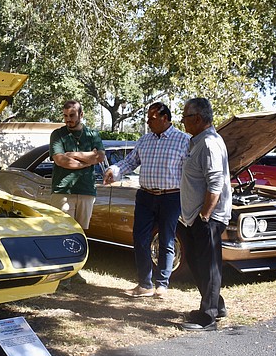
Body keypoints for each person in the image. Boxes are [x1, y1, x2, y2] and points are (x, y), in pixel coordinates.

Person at [103, 102, 189, 299]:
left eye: (152, 118)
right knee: (140, 239)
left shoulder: (184, 141)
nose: (148, 122)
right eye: (147, 118)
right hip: (145, 196)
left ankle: (162, 285)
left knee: (167, 239)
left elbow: (189, 172)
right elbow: (130, 162)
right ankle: (144, 284)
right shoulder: (144, 140)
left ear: (165, 118)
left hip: (171, 196)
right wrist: (114, 171)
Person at [178, 97, 232, 331]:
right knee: (196, 262)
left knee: (208, 265)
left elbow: (215, 183)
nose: (182, 122)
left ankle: (208, 318)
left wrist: (204, 216)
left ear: (197, 118)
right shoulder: (197, 142)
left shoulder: (210, 143)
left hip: (207, 217)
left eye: (185, 117)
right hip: (193, 217)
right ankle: (215, 305)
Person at [49, 100, 106, 230]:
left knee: (81, 233)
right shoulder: (57, 134)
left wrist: (72, 154)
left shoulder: (92, 135)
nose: (68, 119)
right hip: (63, 190)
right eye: (65, 116)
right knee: (61, 231)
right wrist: (88, 159)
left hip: (86, 190)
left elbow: (100, 157)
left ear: (81, 115)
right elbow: (61, 160)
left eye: (72, 115)